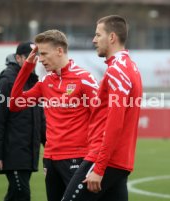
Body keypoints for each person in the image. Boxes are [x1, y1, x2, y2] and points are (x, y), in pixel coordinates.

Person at [9, 30, 99, 201]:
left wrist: (95, 160)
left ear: (59, 51)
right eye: (38, 54)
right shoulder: (45, 82)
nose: (40, 59)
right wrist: (27, 66)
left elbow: (102, 119)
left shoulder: (84, 79)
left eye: (43, 54)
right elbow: (14, 104)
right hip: (50, 159)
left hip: (77, 158)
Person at [62, 15, 143, 201]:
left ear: (112, 37)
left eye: (98, 35)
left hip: (105, 160)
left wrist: (98, 168)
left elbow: (115, 124)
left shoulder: (117, 70)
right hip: (119, 161)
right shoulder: (130, 67)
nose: (94, 40)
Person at [0, 42, 46, 201]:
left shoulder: (34, 81)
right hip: (13, 152)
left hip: (28, 153)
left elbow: (40, 119)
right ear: (18, 58)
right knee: (21, 194)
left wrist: (49, 144)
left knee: (16, 195)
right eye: (30, 57)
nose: (33, 61)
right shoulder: (7, 82)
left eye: (36, 57)